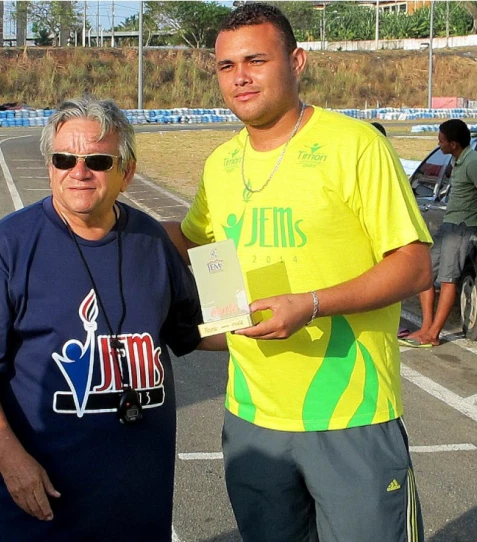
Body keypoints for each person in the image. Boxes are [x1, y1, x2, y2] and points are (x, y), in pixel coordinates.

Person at [162, 4, 433, 541]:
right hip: (252, 419)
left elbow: (415, 264)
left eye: (256, 60)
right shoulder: (221, 163)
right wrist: (101, 222)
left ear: (298, 61)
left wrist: (310, 303)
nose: (240, 77)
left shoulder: (355, 146)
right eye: (225, 66)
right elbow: (198, 246)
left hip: (349, 415)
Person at [0, 96, 225, 541]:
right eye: (64, 158)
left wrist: (272, 315)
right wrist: (13, 464)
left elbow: (191, 330)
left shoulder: (150, 239)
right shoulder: (2, 252)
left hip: (136, 508)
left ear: (126, 171)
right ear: (50, 166)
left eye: (98, 160)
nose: (79, 171)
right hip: (37, 509)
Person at [403, 119, 477, 347]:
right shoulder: (458, 161)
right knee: (425, 273)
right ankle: (426, 327)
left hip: (462, 228)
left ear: (453, 144)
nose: (439, 144)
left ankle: (434, 333)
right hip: (449, 225)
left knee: (448, 279)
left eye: (441, 141)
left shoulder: (473, 162)